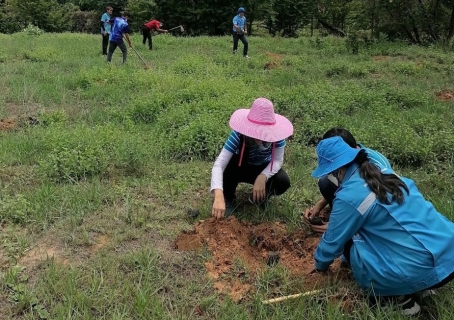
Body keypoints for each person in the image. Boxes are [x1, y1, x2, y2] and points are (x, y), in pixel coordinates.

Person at [310, 136, 454, 316]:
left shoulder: (349, 196)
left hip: (419, 265)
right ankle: (424, 286)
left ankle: (397, 299)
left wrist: (320, 265)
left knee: (353, 241)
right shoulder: (384, 172)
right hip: (449, 254)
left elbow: (333, 240)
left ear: (336, 169)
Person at [211, 98, 293, 218]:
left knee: (282, 181)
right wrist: (218, 195)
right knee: (229, 165)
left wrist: (262, 177)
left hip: (262, 168)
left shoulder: (277, 137)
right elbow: (219, 164)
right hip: (241, 166)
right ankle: (227, 198)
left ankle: (260, 197)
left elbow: (277, 160)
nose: (259, 136)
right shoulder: (239, 135)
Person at [304, 128, 392, 232]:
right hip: (356, 196)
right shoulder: (345, 165)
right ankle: (339, 213)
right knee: (325, 182)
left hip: (377, 204)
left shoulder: (377, 165)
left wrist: (340, 227)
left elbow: (379, 201)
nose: (335, 170)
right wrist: (320, 204)